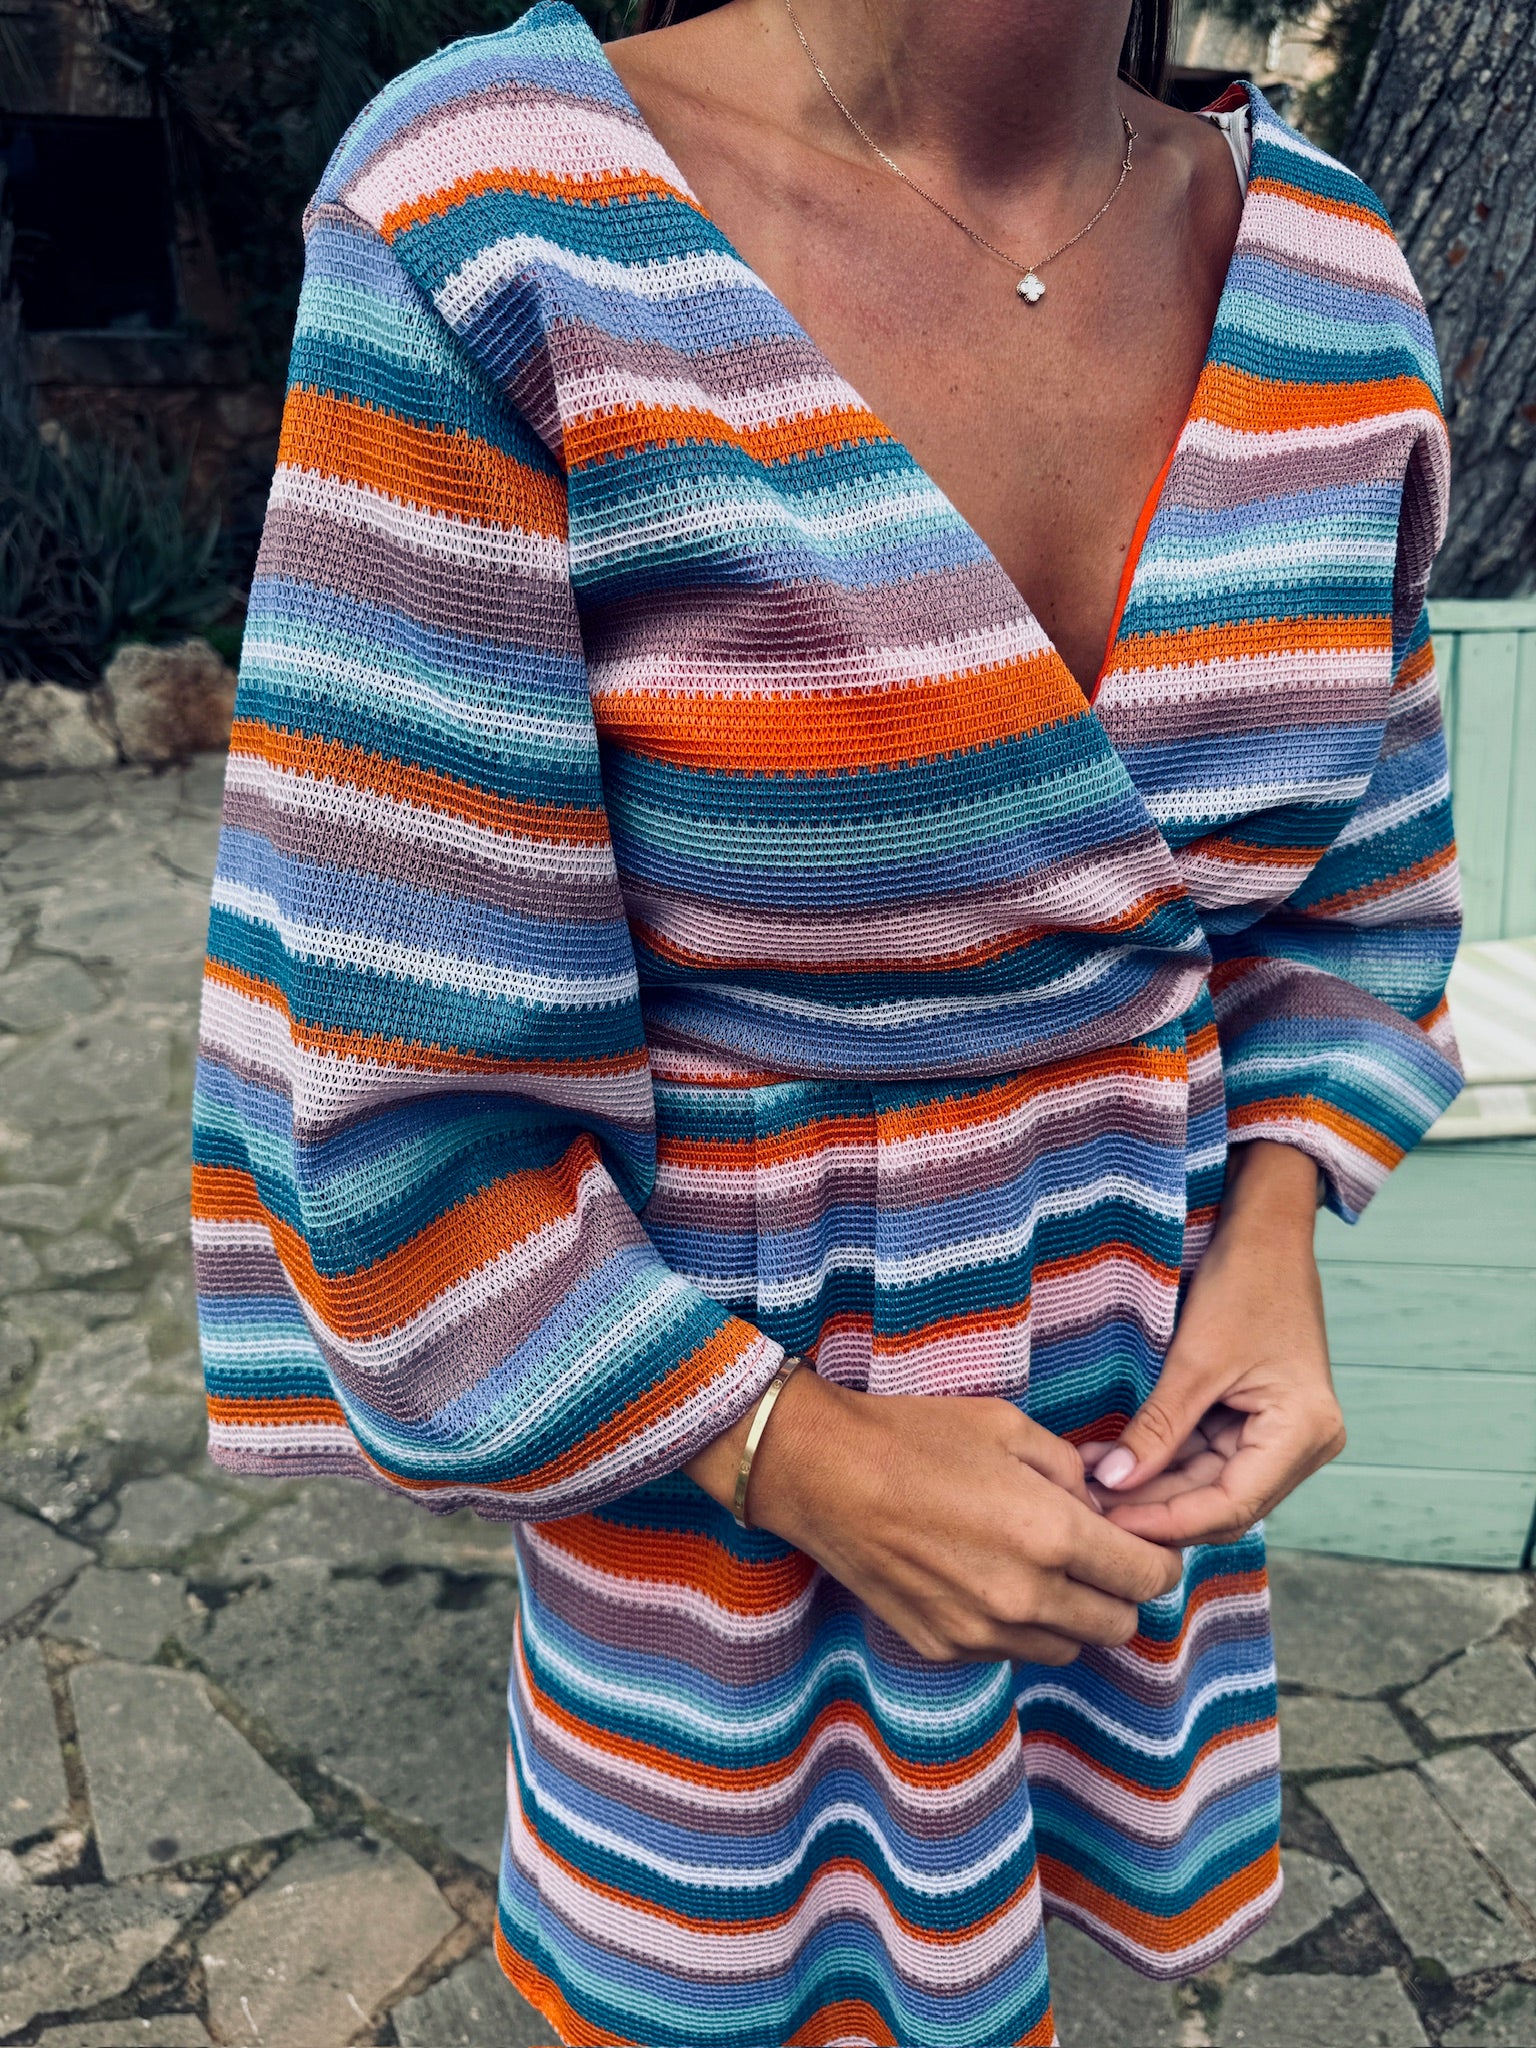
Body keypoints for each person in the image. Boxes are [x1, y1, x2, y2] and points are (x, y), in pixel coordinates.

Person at [190, 0, 1461, 2040]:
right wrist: (790, 1450)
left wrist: (1280, 1220)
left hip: (1131, 1459)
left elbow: (1355, 885)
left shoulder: (1337, 281)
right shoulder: (494, 223)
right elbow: (387, 1098)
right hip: (721, 1545)